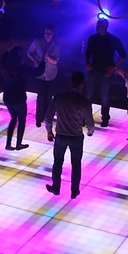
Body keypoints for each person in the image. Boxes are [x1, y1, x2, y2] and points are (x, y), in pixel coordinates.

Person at [45, 71, 96, 199]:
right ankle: (74, 190)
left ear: (70, 82)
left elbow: (48, 117)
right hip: (76, 137)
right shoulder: (84, 102)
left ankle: (56, 187)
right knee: (76, 164)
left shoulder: (58, 98)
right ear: (82, 84)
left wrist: (49, 131)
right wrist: (90, 132)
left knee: (57, 162)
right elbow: (90, 123)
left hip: (61, 135)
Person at [84, 18, 127, 127]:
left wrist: (113, 67)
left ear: (105, 27)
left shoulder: (112, 39)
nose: (98, 28)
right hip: (94, 70)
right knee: (88, 95)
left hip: (106, 71)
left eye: (100, 26)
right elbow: (87, 53)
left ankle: (105, 118)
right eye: (97, 26)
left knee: (105, 97)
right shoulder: (93, 38)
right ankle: (86, 117)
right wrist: (87, 63)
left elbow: (123, 54)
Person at [1, 45, 42, 151]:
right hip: (19, 99)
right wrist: (43, 61)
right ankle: (18, 144)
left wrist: (8, 50)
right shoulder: (22, 68)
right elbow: (38, 72)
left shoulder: (6, 66)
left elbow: (3, 58)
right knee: (22, 121)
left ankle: (8, 144)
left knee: (13, 119)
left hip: (8, 98)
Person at [26, 24, 60, 128]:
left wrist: (47, 57)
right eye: (46, 33)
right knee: (41, 97)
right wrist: (35, 60)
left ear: (53, 34)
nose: (47, 35)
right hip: (40, 74)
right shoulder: (37, 41)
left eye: (49, 33)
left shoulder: (56, 46)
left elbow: (55, 61)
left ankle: (48, 118)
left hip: (51, 74)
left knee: (49, 97)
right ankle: (38, 118)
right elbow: (29, 52)